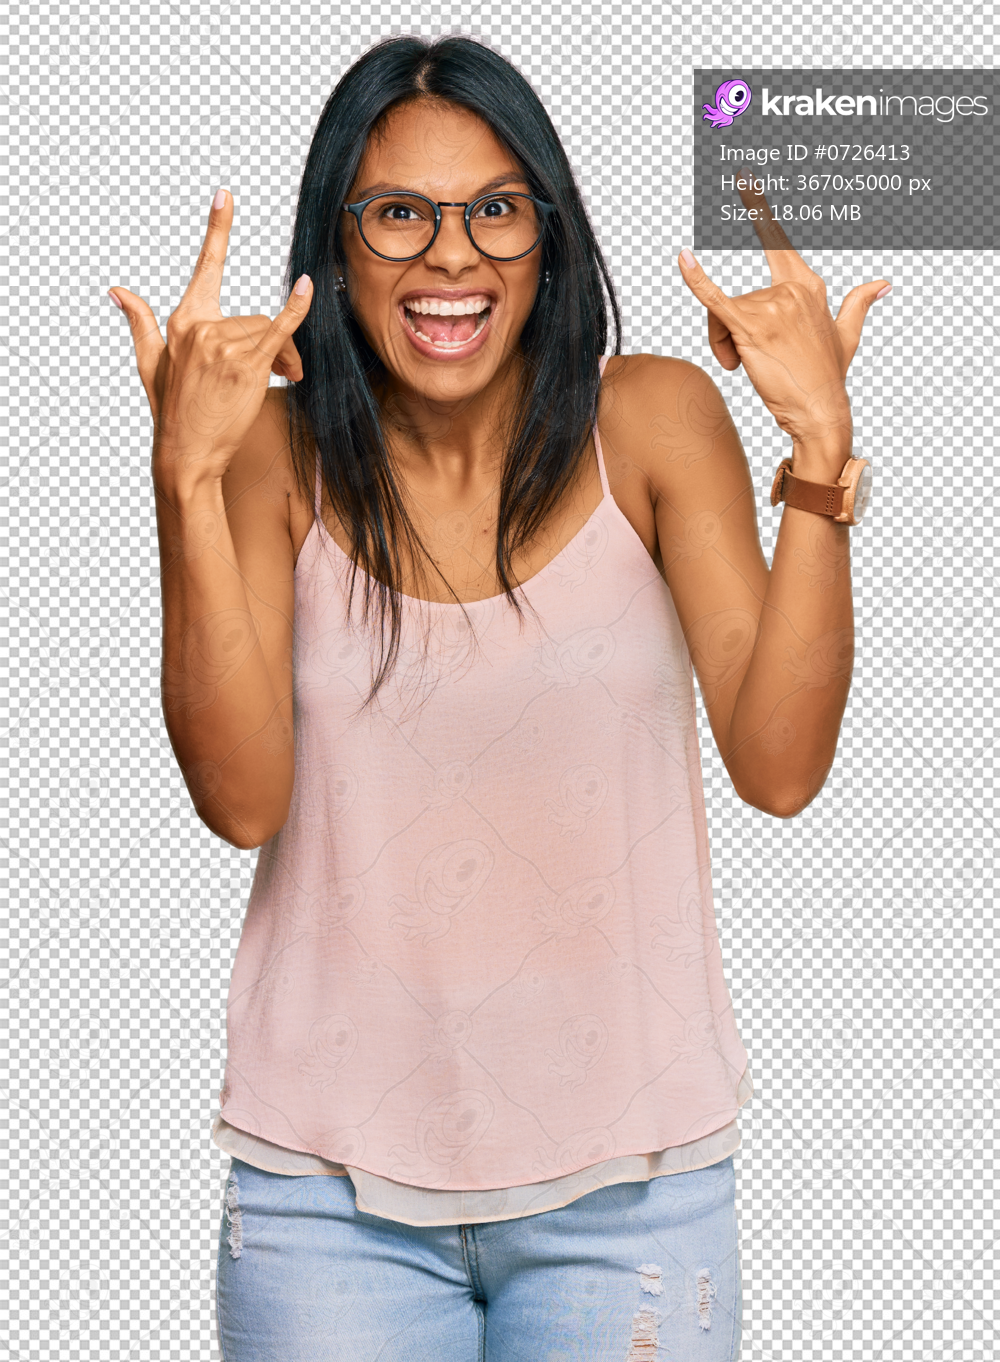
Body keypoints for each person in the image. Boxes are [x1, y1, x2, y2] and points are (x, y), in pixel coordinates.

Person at [109, 34, 889, 1362]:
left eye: (495, 210)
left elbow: (780, 766)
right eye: (400, 213)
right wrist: (182, 479)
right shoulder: (271, 462)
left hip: (633, 1188)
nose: (450, 256)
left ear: (548, 235)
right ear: (337, 246)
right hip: (325, 1196)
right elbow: (239, 800)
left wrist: (820, 458)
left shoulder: (652, 419)